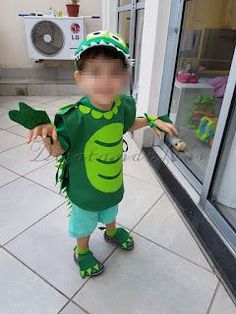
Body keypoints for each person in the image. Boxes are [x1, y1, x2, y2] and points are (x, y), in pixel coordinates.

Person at [16, 31, 178, 278]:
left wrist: (151, 120)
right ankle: (82, 251)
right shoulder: (75, 117)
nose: (105, 81)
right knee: (85, 222)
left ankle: (111, 232)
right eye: (95, 72)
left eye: (114, 72)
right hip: (84, 189)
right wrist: (48, 135)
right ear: (79, 78)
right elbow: (58, 151)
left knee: (111, 209)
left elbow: (127, 124)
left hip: (111, 182)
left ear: (124, 77)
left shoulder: (122, 106)